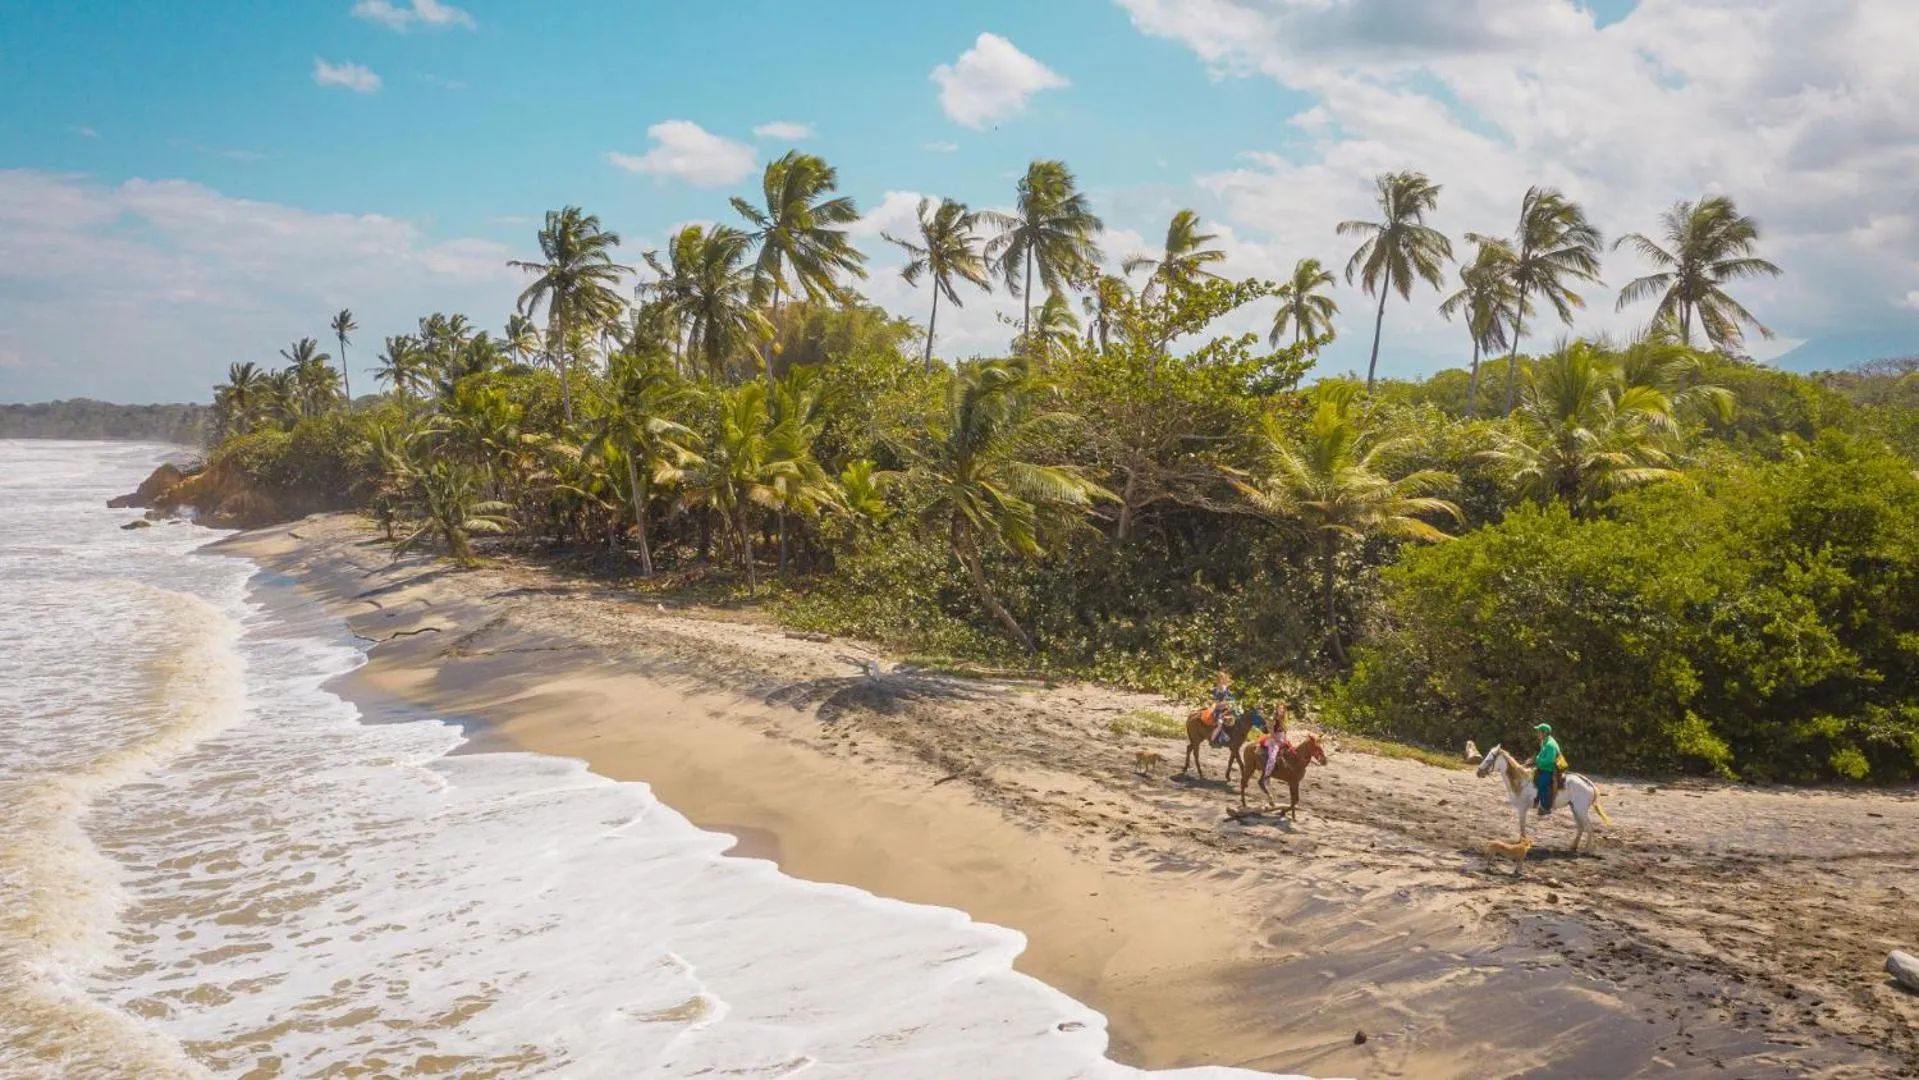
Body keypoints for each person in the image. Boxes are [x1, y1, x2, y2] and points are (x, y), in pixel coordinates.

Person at [1533, 723, 1562, 813]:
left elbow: (1550, 760)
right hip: (1545, 766)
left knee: (1541, 782)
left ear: (1544, 733)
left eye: (1539, 731)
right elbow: (1541, 754)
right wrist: (1537, 758)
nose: (1537, 733)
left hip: (1550, 769)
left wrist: (1537, 761)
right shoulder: (1544, 741)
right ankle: (1537, 798)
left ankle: (1546, 807)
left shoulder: (1550, 744)